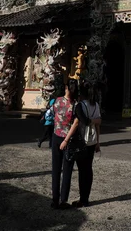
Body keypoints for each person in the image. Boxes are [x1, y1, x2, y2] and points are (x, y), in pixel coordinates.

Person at [60, 82, 101, 208]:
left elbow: (78, 122)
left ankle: (82, 199)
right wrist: (98, 142)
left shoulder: (80, 105)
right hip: (92, 141)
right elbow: (98, 124)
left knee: (82, 170)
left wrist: (66, 140)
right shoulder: (96, 105)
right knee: (88, 169)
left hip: (82, 140)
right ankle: (85, 198)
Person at [51, 79, 79, 209]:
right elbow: (76, 123)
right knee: (67, 170)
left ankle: (54, 200)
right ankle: (63, 200)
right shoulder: (75, 105)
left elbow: (52, 115)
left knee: (56, 169)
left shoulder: (57, 101)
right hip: (68, 140)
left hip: (56, 137)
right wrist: (66, 140)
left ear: (66, 87)